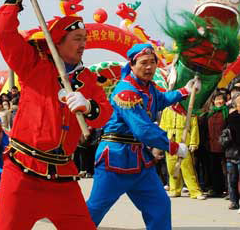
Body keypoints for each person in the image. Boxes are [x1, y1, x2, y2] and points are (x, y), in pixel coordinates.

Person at [0, 0, 113, 230]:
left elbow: (105, 114)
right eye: (77, 38)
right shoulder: (33, 65)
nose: (83, 43)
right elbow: (3, 32)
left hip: (63, 178)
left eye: (84, 38)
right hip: (22, 173)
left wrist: (89, 106)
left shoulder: (87, 78)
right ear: (58, 41)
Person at [85, 43, 199, 230]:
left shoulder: (148, 87)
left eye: (152, 62)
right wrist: (173, 147)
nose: (149, 67)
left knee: (159, 205)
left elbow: (162, 100)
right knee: (95, 209)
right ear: (132, 65)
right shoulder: (126, 91)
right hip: (115, 159)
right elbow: (144, 130)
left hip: (139, 162)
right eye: (143, 62)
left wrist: (184, 91)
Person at [159, 103, 205, 200]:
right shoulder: (167, 109)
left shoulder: (189, 110)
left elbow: (194, 127)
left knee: (187, 167)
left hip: (184, 139)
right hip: (170, 141)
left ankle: (195, 191)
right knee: (171, 167)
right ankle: (174, 189)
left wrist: (193, 143)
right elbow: (162, 128)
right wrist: (162, 142)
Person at [203, 91, 228, 198]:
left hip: (225, 145)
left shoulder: (227, 112)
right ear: (213, 101)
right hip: (211, 144)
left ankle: (229, 189)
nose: (219, 101)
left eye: (221, 99)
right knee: (214, 168)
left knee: (226, 169)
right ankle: (217, 189)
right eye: (217, 99)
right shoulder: (210, 113)